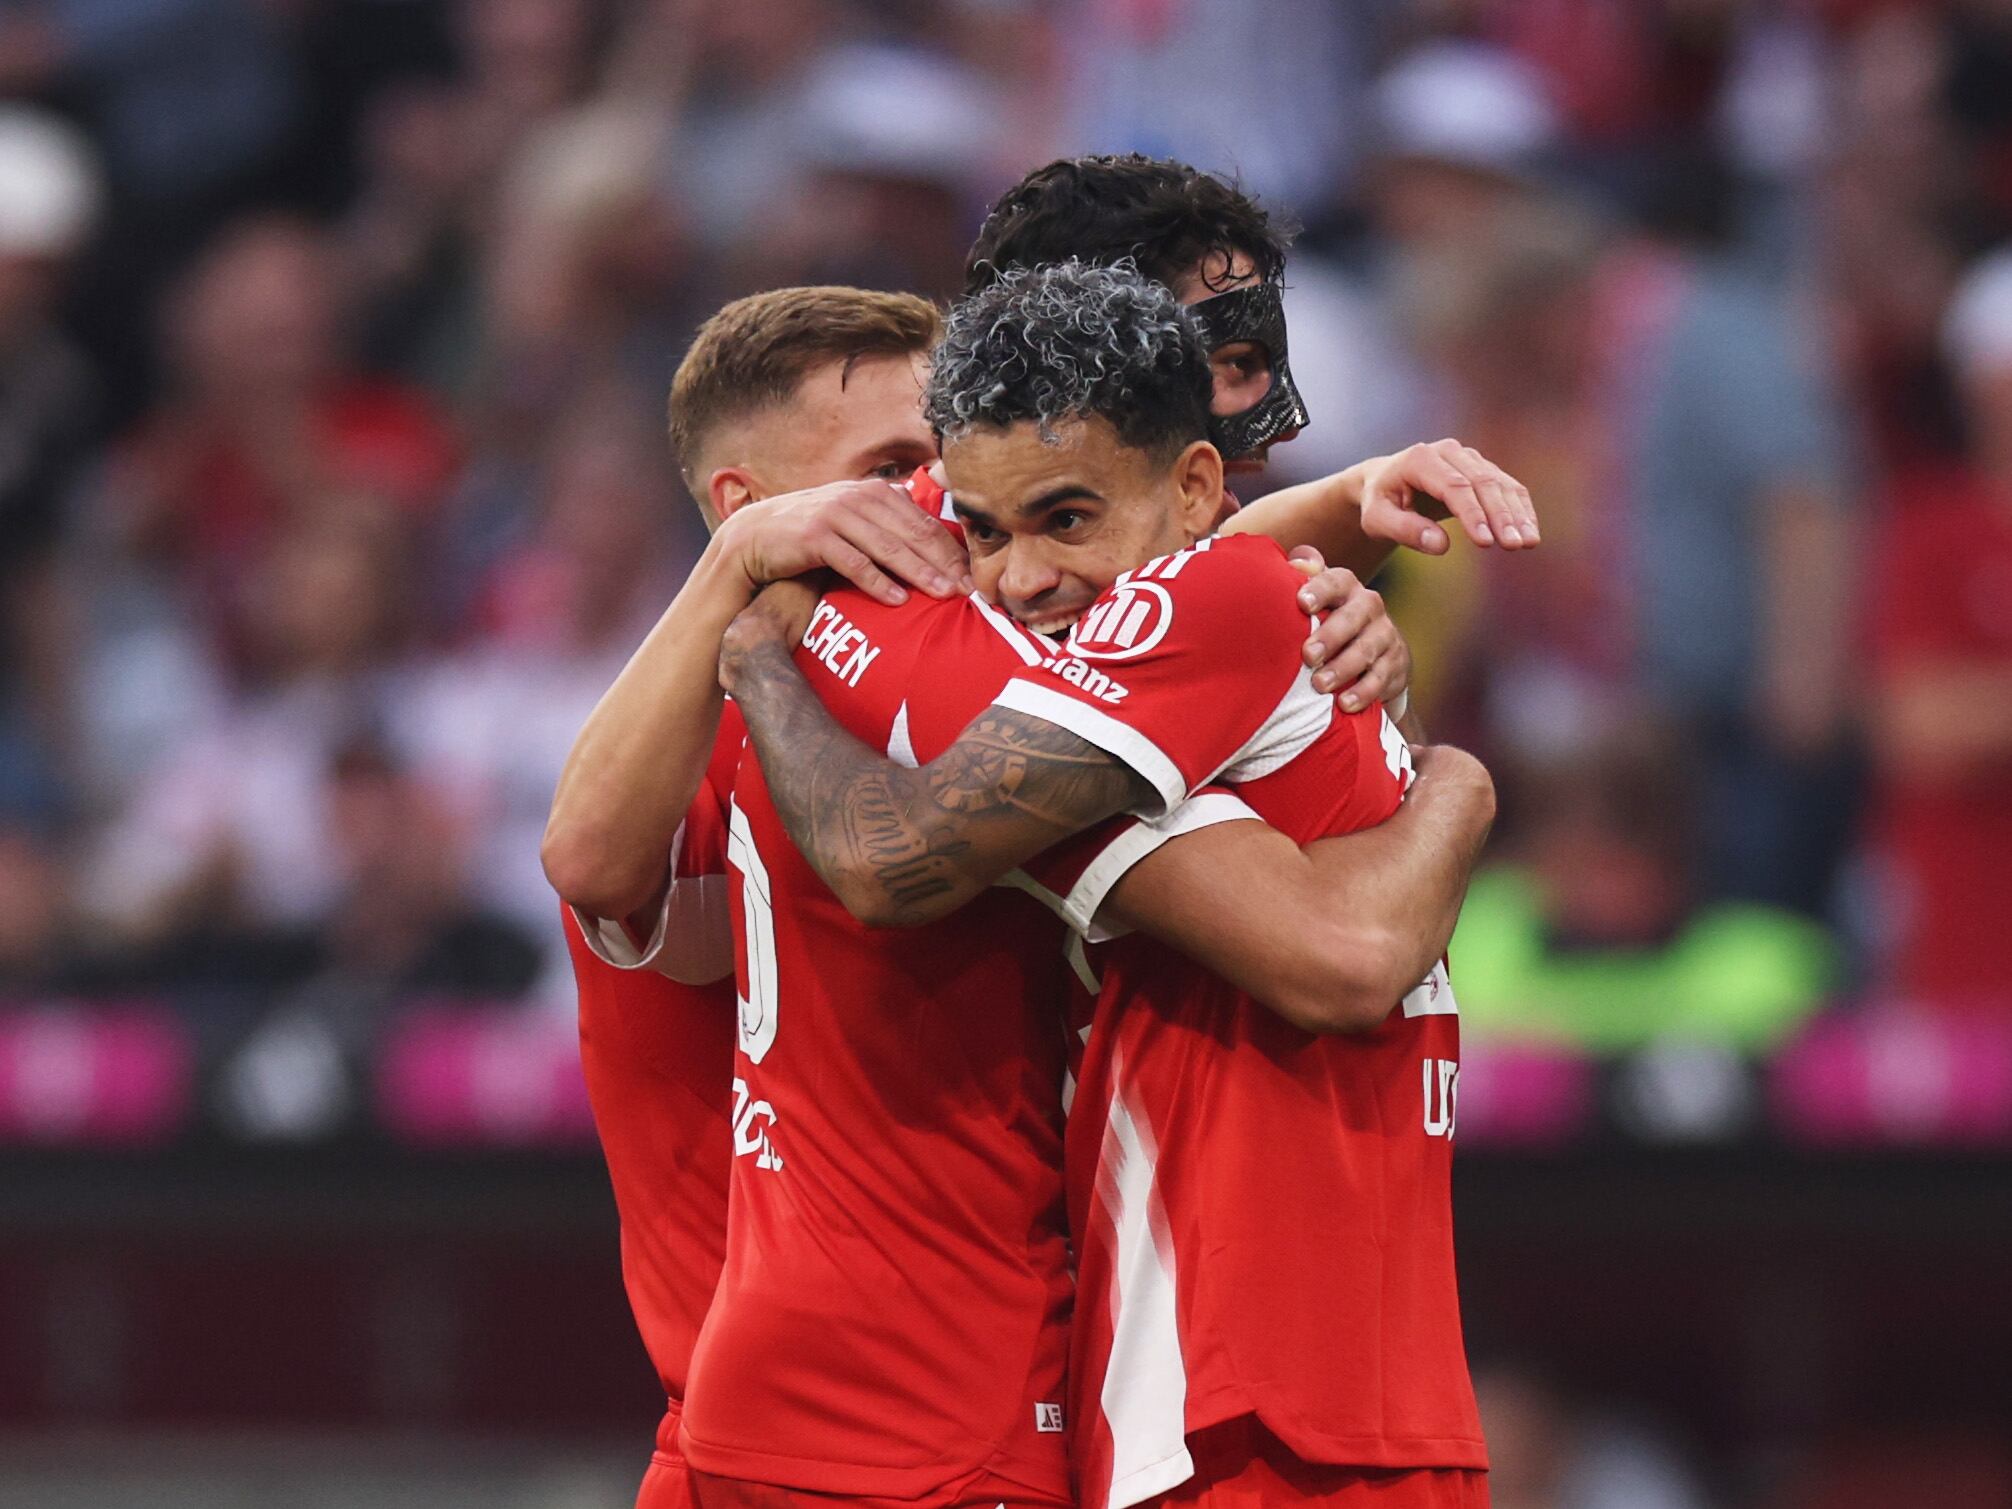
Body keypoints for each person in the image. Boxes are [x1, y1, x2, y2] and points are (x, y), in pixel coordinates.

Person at [720, 262, 1493, 1509]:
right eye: (983, 532)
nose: (1020, 579)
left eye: (1065, 521)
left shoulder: (1193, 611)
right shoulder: (1249, 627)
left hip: (1234, 1398)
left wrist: (759, 654)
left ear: (1193, 488)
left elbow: (887, 859)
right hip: (1358, 1392)